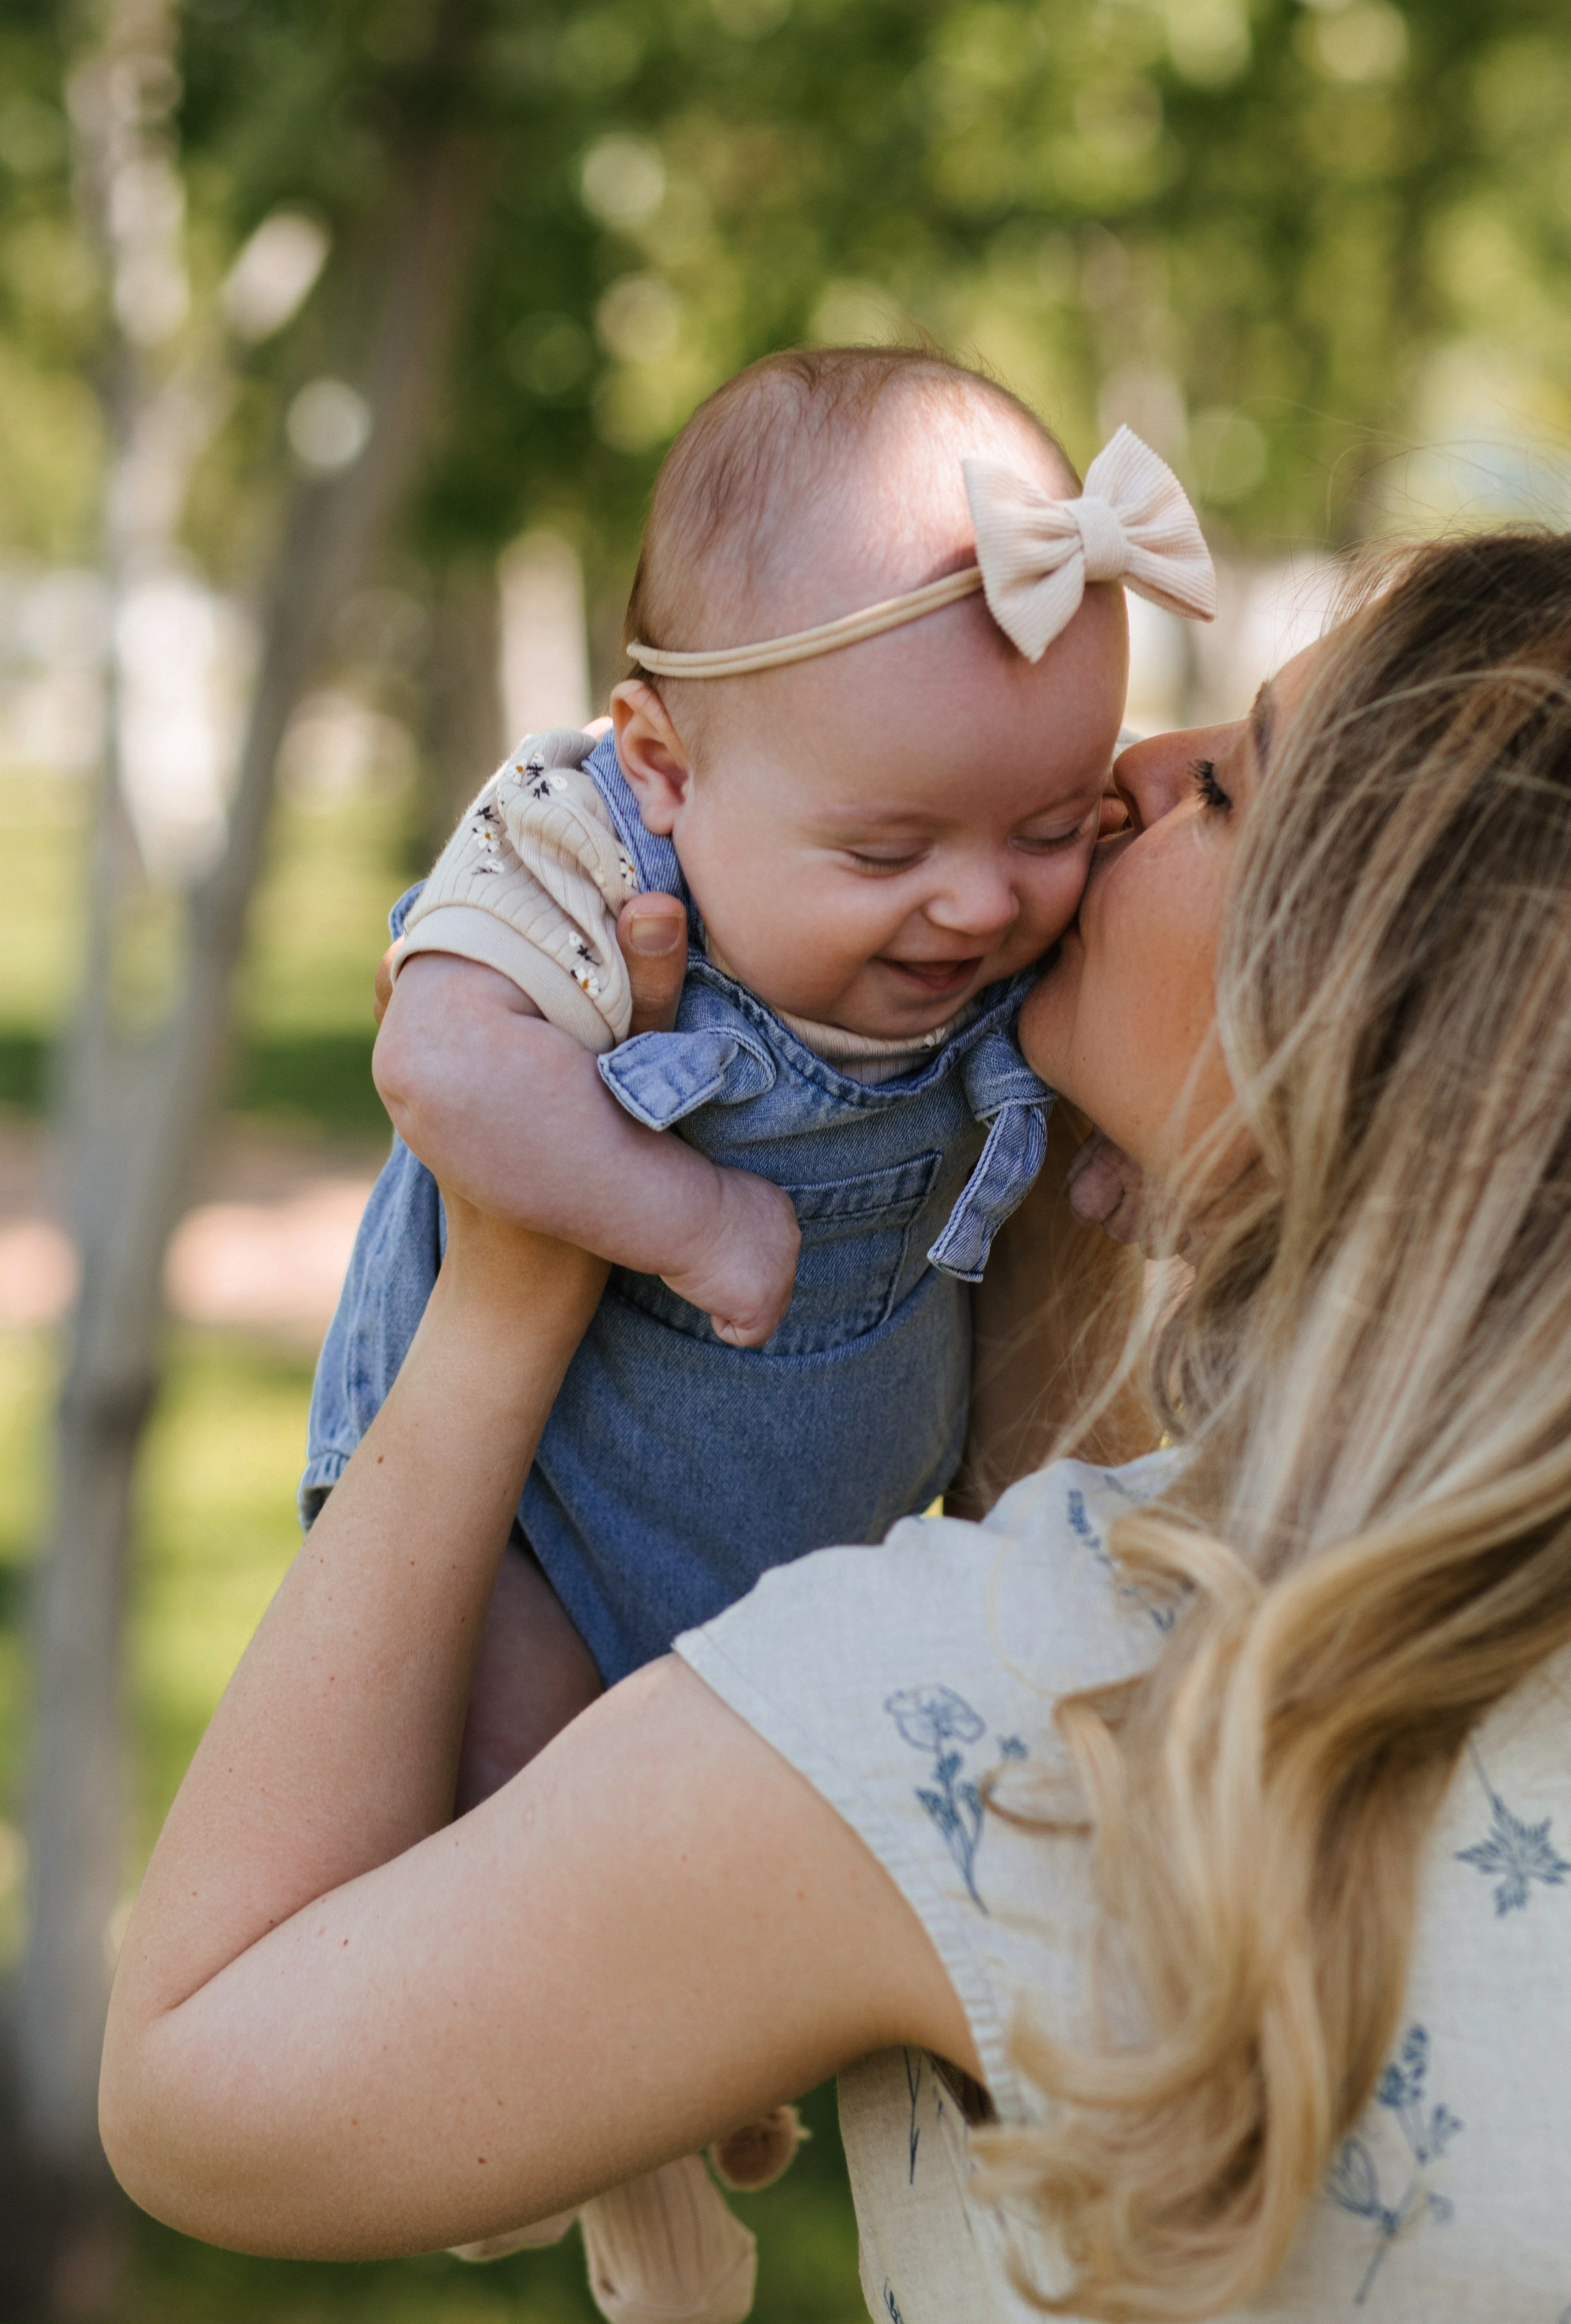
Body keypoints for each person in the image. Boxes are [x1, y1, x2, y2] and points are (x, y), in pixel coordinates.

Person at [101, 528, 1571, 2323]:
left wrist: (514, 1276)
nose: (1125, 773)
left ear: (1388, 1027)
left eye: (1224, 786)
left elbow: (199, 2080)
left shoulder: (1020, 1720)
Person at [300, 343, 1207, 2319]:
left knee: (707, 1841)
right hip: (557, 1493)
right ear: (666, 768)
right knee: (537, 1803)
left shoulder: (984, 884)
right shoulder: (577, 847)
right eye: (889, 854)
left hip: (814, 1513)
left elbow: (1063, 1087)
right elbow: (442, 1064)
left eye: (1051, 821)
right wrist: (676, 1204)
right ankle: (609, 2163)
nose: (981, 900)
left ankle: (678, 2066)